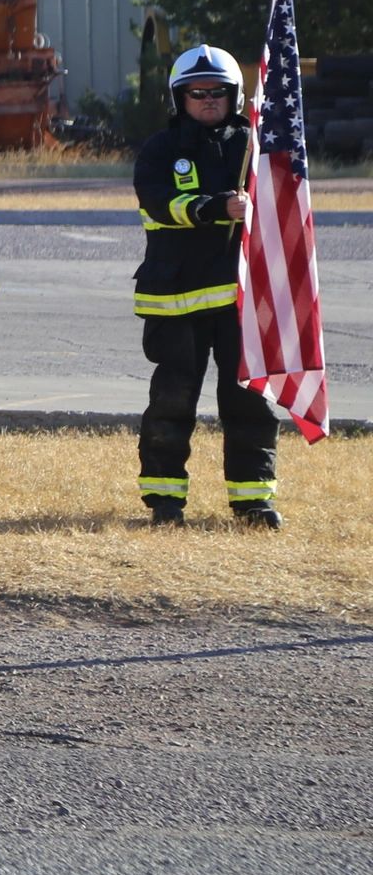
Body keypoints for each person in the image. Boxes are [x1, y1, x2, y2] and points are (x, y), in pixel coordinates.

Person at [133, 45, 280, 529]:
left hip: (240, 301)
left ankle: (253, 500)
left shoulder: (256, 145)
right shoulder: (159, 150)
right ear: (180, 98)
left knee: (248, 399)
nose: (208, 100)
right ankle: (165, 500)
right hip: (175, 299)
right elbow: (161, 204)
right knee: (173, 400)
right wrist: (217, 207)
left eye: (218, 92)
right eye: (198, 93)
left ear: (235, 95)